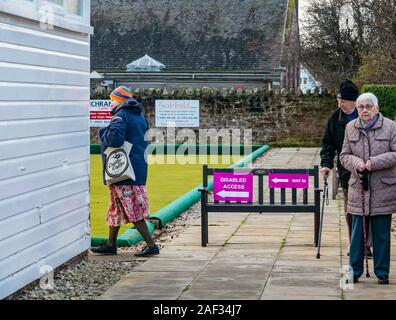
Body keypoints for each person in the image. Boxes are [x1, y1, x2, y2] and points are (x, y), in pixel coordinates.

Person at [91, 86, 160, 257]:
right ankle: (111, 244)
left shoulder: (120, 116)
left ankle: (151, 245)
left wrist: (102, 131)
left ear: (119, 100)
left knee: (133, 209)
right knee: (115, 208)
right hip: (136, 167)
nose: (111, 102)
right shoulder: (140, 116)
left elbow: (115, 139)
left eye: (112, 99)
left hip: (124, 170)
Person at [340, 92, 396, 284]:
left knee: (381, 234)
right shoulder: (350, 127)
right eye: (361, 107)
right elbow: (344, 155)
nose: (364, 110)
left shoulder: (390, 126)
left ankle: (382, 273)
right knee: (357, 235)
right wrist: (357, 163)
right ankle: (354, 272)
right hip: (358, 188)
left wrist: (374, 162)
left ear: (377, 108)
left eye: (368, 106)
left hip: (383, 189)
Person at [319, 80, 372, 257]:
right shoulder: (335, 118)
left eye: (343, 100)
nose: (340, 104)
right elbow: (327, 144)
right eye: (338, 100)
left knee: (371, 209)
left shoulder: (367, 115)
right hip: (348, 172)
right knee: (352, 210)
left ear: (353, 101)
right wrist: (326, 164)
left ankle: (368, 244)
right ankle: (356, 246)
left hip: (372, 171)